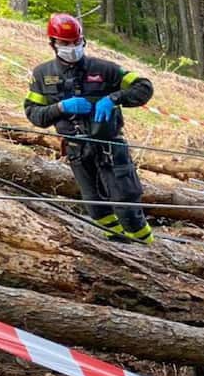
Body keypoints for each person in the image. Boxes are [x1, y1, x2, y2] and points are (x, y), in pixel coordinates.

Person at [24, 13, 156, 243]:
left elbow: (143, 87)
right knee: (97, 209)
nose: (72, 48)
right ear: (53, 44)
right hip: (77, 151)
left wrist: (114, 98)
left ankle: (150, 249)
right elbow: (34, 114)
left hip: (109, 148)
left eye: (76, 42)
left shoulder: (105, 69)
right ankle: (120, 247)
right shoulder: (43, 75)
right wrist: (60, 108)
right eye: (65, 44)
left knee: (126, 206)